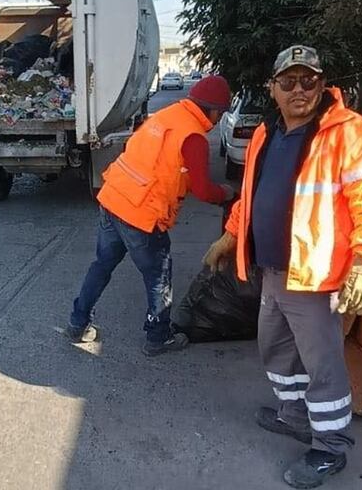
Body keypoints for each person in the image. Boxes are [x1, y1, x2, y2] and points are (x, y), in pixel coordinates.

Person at [203, 46, 362, 488]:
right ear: (272, 88)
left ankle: (331, 447)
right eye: (288, 81)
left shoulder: (348, 132)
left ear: (321, 83)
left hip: (315, 274)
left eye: (307, 80)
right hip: (274, 270)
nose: (298, 90)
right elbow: (251, 195)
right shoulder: (265, 134)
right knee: (274, 347)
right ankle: (294, 416)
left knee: (322, 363)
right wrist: (231, 235)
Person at [68, 75, 237, 356]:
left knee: (102, 265)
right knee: (159, 276)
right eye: (221, 112)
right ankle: (158, 337)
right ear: (214, 110)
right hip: (142, 214)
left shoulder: (168, 115)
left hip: (113, 199)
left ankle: (77, 322)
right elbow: (204, 190)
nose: (219, 119)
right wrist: (227, 193)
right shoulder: (193, 136)